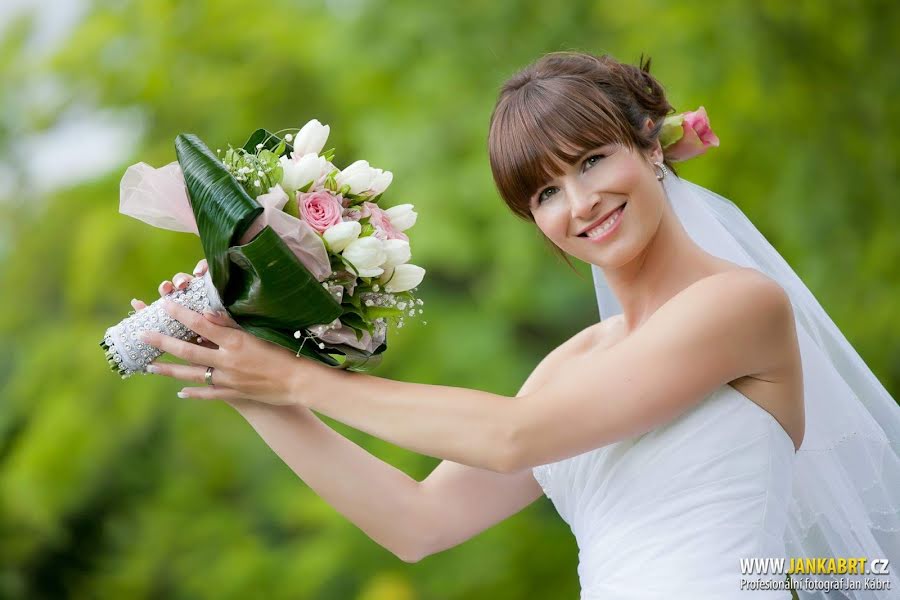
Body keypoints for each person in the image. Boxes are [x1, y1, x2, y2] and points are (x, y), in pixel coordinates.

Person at [133, 52, 898, 599]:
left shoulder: (740, 306)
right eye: (545, 195)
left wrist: (300, 373)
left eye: (593, 160)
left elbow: (513, 436)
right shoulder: (569, 367)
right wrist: (249, 381)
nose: (580, 203)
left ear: (649, 146)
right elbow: (417, 522)